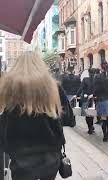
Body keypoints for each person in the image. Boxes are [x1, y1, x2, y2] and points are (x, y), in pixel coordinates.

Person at [0, 52, 66, 180]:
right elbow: (68, 119)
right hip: (50, 155)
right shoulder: (53, 86)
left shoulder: (7, 87)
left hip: (20, 156)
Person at [76, 68, 95, 134]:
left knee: (87, 113)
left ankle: (90, 127)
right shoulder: (97, 79)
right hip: (94, 99)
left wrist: (77, 95)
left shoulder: (85, 79)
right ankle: (91, 126)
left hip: (86, 99)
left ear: (88, 73)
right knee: (92, 113)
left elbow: (81, 88)